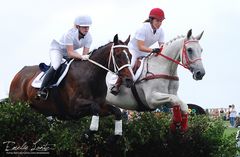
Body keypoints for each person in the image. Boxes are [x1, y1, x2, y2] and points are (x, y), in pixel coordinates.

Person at [110, 8, 165, 95]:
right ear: (151, 20)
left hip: (146, 50)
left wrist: (162, 51)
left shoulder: (161, 31)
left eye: (161, 21)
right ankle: (116, 84)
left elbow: (162, 45)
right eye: (157, 21)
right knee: (130, 65)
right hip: (133, 50)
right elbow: (140, 47)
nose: (159, 23)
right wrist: (153, 50)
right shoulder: (142, 28)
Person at [37, 15, 93, 99]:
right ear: (78, 26)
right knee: (56, 65)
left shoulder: (89, 37)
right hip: (57, 50)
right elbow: (70, 53)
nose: (87, 29)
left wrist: (84, 58)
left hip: (70, 51)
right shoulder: (69, 34)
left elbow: (84, 55)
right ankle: (42, 90)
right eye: (84, 27)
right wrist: (82, 57)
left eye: (88, 27)